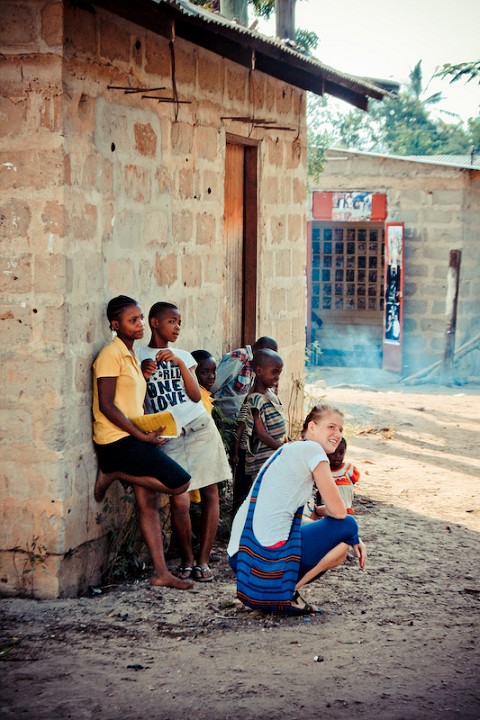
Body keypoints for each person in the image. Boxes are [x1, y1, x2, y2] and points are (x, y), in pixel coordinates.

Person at [92, 295, 194, 590]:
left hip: (134, 434)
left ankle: (160, 573)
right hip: (117, 440)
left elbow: (130, 399)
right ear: (115, 325)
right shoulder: (110, 355)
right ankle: (113, 471)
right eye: (132, 320)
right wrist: (141, 436)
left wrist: (149, 426)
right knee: (180, 483)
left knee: (147, 503)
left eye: (139, 319)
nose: (139, 324)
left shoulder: (131, 354)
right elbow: (107, 405)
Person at [227, 403, 367, 615]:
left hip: (240, 555)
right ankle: (286, 594)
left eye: (340, 429)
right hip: (260, 556)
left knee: (343, 540)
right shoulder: (313, 450)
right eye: (331, 427)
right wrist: (352, 533)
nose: (337, 434)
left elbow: (289, 516)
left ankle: (284, 592)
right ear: (312, 427)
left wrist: (323, 515)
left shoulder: (288, 449)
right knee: (348, 525)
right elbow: (340, 513)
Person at [137, 303, 231, 583]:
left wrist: (179, 364)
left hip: (200, 427)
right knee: (179, 500)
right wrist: (143, 375)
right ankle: (187, 559)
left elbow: (195, 396)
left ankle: (203, 560)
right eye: (171, 321)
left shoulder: (184, 356)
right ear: (154, 323)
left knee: (211, 491)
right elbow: (136, 399)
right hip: (168, 435)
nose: (177, 327)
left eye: (179, 322)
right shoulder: (138, 356)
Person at [231, 349, 286, 514]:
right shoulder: (255, 398)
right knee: (258, 495)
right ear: (259, 371)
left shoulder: (270, 393)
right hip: (263, 456)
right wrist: (283, 448)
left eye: (279, 372)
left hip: (272, 453)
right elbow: (261, 433)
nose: (277, 377)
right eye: (274, 372)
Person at [210, 336, 278, 426]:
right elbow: (214, 384)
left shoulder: (256, 365)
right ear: (261, 351)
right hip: (221, 415)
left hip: (234, 418)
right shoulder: (241, 357)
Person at [306, 437, 360, 520]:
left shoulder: (349, 469)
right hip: (327, 512)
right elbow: (318, 493)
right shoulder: (321, 471)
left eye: (341, 453)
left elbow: (350, 487)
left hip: (346, 510)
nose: (337, 456)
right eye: (334, 453)